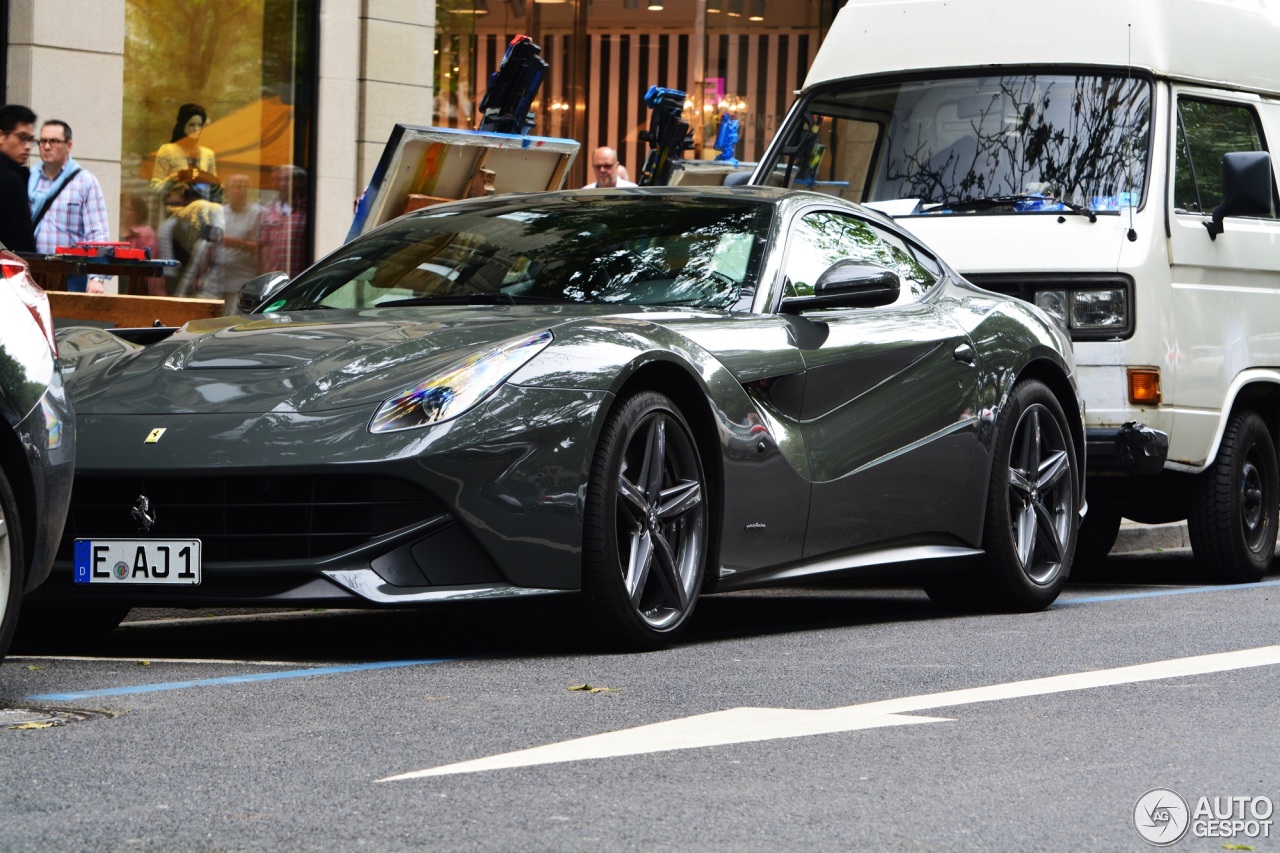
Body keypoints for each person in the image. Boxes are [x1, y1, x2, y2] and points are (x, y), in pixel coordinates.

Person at [29, 120, 111, 293]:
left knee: (68, 321)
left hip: (72, 275)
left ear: (69, 145)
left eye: (54, 141)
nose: (47, 146)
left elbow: (98, 234)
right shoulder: (29, 180)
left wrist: (96, 278)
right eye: (42, 141)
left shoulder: (84, 182)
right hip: (33, 274)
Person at [150, 103, 220, 206]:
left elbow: (215, 188)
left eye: (199, 125)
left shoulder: (208, 154)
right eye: (191, 125)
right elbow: (155, 189)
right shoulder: (167, 150)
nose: (196, 129)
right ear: (183, 125)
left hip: (202, 212)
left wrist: (204, 178)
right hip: (175, 211)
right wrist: (176, 177)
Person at [214, 173, 262, 313]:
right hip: (216, 281)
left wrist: (238, 243)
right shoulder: (219, 212)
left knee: (231, 324)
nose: (241, 190)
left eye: (245, 187)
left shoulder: (258, 213)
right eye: (236, 187)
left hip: (242, 281)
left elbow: (262, 249)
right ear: (227, 190)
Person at [259, 165, 307, 278]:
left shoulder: (306, 211)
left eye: (287, 180)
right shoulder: (270, 210)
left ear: (300, 183)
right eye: (281, 180)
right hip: (273, 281)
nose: (283, 184)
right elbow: (263, 247)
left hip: (299, 280)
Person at [0, 104, 37, 253]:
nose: (27, 146)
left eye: (31, 140)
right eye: (22, 138)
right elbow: (23, 241)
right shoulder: (10, 180)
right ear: (2, 136)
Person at [122, 194, 164, 296]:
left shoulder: (146, 233)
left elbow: (147, 264)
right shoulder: (120, 230)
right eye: (123, 209)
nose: (125, 213)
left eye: (129, 209)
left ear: (138, 212)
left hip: (141, 290)